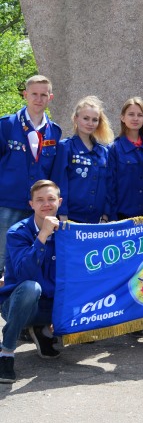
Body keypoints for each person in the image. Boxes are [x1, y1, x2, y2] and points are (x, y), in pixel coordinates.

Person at [0, 181, 63, 383]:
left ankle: (43, 331)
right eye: (40, 200)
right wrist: (43, 235)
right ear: (31, 204)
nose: (46, 204)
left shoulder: (68, 232)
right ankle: (6, 353)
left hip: (50, 307)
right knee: (31, 287)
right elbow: (24, 273)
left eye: (51, 199)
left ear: (59, 202)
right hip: (18, 304)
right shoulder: (17, 232)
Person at [0, 75, 61, 275]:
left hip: (39, 206)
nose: (38, 99)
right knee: (2, 256)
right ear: (25, 95)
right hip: (8, 203)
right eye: (34, 94)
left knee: (33, 255)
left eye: (44, 95)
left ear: (50, 98)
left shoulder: (54, 132)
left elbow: (53, 172)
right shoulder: (6, 125)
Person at [52, 96, 113, 224]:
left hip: (96, 222)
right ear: (76, 118)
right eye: (86, 118)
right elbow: (59, 182)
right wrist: (62, 214)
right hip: (70, 220)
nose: (90, 123)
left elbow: (109, 186)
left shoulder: (104, 152)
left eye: (95, 120)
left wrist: (106, 215)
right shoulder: (66, 147)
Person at [108, 97, 143, 220]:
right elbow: (110, 187)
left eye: (140, 115)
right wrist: (112, 219)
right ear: (122, 117)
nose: (135, 118)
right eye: (131, 114)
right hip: (123, 218)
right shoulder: (114, 149)